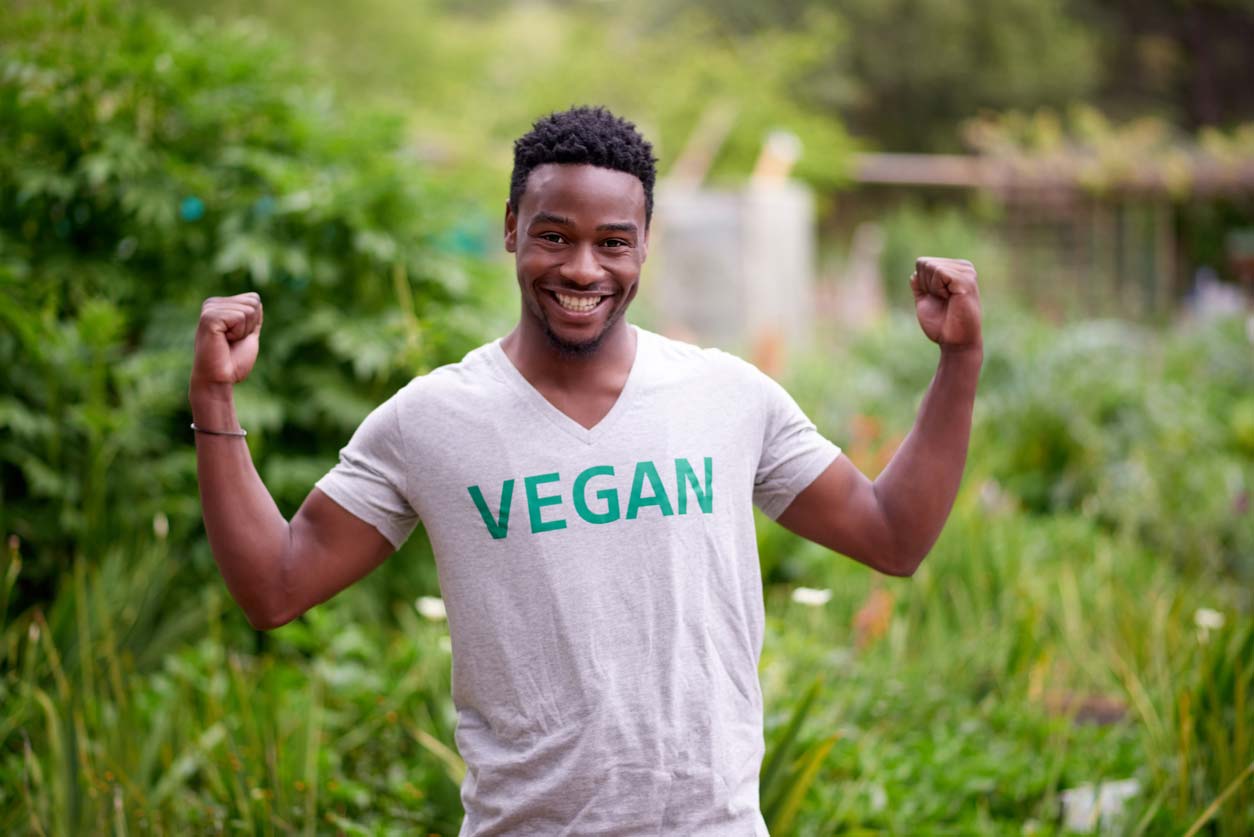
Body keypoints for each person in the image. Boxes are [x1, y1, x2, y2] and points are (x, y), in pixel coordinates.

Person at [189, 106, 982, 836]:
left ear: (645, 243)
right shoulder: (432, 419)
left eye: (612, 241)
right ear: (510, 228)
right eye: (554, 236)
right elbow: (275, 585)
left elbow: (892, 535)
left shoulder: (727, 396)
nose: (581, 268)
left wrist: (959, 359)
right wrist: (215, 396)